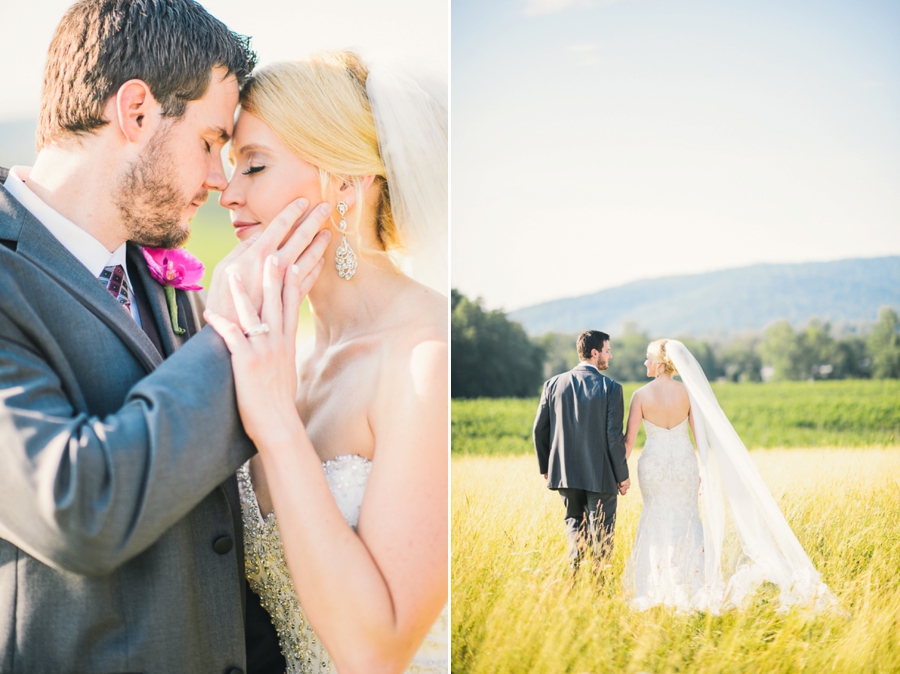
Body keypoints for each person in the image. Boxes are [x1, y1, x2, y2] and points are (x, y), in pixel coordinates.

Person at [0, 1, 332, 671]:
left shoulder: (160, 273)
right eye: (210, 141)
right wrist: (233, 330)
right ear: (136, 111)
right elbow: (76, 504)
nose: (219, 178)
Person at [203, 51, 448, 673]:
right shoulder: (286, 353)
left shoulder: (427, 361)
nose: (227, 194)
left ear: (344, 184)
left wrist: (277, 425)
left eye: (253, 165)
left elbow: (377, 652)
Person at [623, 339, 835, 613]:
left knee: (655, 517)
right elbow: (700, 440)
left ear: (660, 364)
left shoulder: (639, 395)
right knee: (687, 519)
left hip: (653, 468)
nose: (645, 363)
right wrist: (703, 469)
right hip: (685, 465)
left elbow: (629, 441)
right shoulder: (687, 394)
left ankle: (657, 587)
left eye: (648, 358)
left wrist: (619, 474)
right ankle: (691, 585)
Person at [532, 330, 630, 570]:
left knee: (574, 528)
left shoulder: (552, 384)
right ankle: (599, 591)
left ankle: (574, 585)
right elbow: (613, 438)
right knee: (603, 536)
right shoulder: (611, 388)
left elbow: (539, 430)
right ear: (595, 353)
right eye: (607, 351)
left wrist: (547, 467)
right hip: (601, 475)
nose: (610, 355)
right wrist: (623, 476)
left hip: (565, 474)